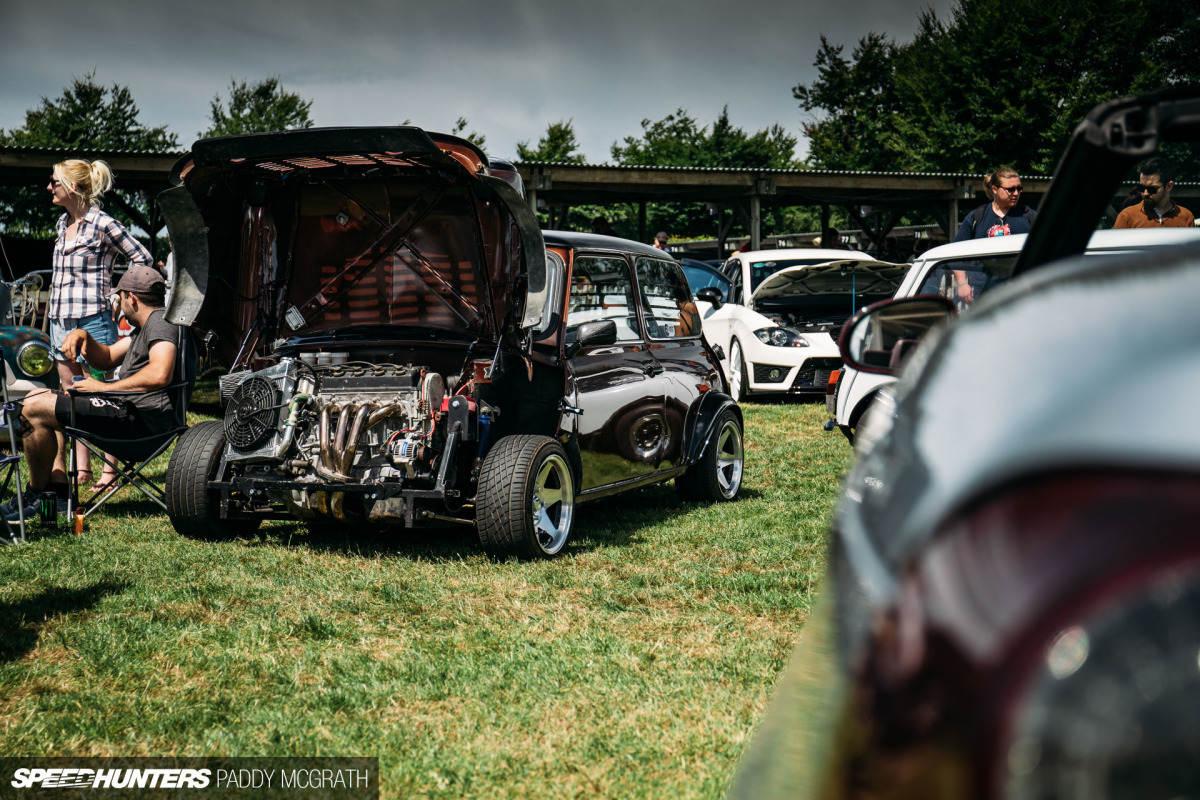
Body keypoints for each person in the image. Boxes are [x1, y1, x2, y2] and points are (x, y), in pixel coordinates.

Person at [3, 267, 185, 522]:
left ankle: (35, 495)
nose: (119, 305)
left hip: (143, 424)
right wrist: (84, 336)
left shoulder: (161, 322)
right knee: (45, 398)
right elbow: (107, 358)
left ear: (131, 297)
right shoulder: (146, 328)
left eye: (119, 298)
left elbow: (160, 374)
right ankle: (57, 494)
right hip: (133, 415)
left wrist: (103, 388)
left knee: (34, 406)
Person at [47, 158, 153, 492]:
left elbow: (144, 259)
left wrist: (117, 296)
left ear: (73, 187)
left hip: (94, 319)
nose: (49, 187)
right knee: (72, 396)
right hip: (60, 319)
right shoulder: (62, 224)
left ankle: (110, 472)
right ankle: (83, 471)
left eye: (55, 182)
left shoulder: (103, 224)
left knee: (104, 395)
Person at [951, 167, 1038, 303]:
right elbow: (955, 254)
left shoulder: (1029, 216)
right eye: (1010, 189)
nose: (1016, 193)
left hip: (1022, 297)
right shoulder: (976, 217)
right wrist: (962, 284)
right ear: (994, 189)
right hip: (984, 299)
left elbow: (1046, 248)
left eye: (1019, 188)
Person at [1112, 157, 1194, 229]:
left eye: (1152, 189)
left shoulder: (1186, 217)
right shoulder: (1127, 217)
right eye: (1141, 188)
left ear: (1169, 186)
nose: (1145, 193)